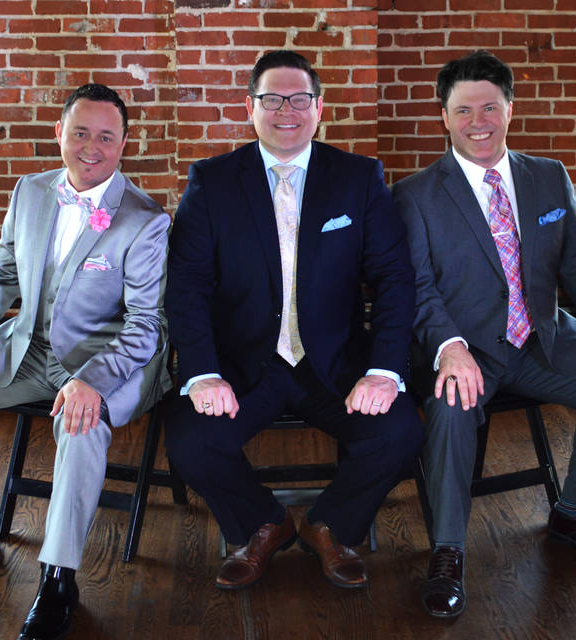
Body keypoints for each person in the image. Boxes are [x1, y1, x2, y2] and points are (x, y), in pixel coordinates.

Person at [0, 83, 171, 640]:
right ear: (59, 133)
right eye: (80, 133)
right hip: (29, 345)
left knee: (80, 423)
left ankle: (58, 577)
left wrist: (92, 381)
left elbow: (147, 325)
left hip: (108, 359)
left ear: (124, 143)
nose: (91, 147)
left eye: (106, 137)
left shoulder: (146, 219)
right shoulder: (30, 191)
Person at [391, 49, 576, 618]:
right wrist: (447, 347)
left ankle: (574, 512)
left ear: (510, 109)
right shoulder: (414, 195)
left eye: (490, 107)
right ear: (444, 116)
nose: (478, 122)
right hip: (464, 347)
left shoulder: (548, 177)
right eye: (463, 110)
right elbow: (416, 287)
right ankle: (448, 550)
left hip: (541, 338)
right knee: (451, 407)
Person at [165, 49, 424, 591]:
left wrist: (384, 370)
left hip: (332, 363)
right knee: (191, 442)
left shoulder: (358, 178)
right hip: (244, 364)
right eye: (272, 99)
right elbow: (187, 287)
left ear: (319, 107)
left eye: (300, 98)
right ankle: (263, 524)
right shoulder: (212, 181)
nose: (287, 110)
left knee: (400, 431)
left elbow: (395, 280)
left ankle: (332, 527)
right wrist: (203, 372)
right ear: (250, 108)